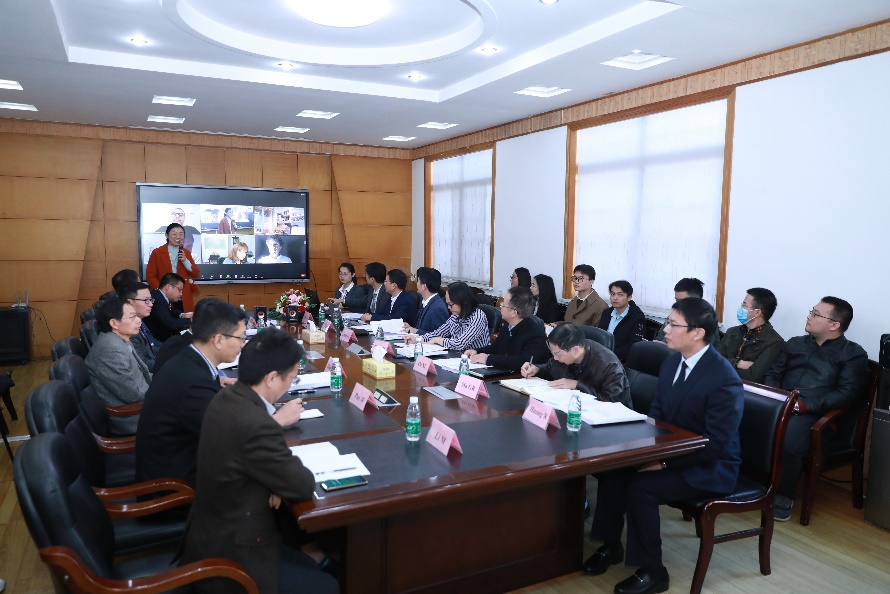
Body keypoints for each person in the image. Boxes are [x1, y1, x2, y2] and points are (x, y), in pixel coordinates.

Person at [583, 298, 744, 594]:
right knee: (614, 471)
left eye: (673, 324)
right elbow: (658, 413)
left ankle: (654, 571)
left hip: (710, 465)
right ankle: (611, 545)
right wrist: (641, 452)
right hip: (672, 449)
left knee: (640, 488)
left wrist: (664, 463)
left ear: (697, 333)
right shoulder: (672, 361)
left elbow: (717, 444)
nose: (665, 330)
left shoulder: (723, 378)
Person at [180, 328, 339, 594]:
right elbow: (301, 484)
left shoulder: (228, 396)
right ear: (272, 378)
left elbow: (251, 461)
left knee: (308, 563)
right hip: (233, 553)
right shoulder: (256, 425)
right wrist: (278, 481)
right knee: (327, 586)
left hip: (212, 530)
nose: (291, 385)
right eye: (292, 378)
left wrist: (273, 482)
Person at [763, 296, 868, 521]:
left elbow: (848, 394)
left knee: (789, 440)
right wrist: (776, 397)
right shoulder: (795, 343)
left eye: (816, 314)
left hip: (815, 416)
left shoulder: (853, 354)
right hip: (781, 404)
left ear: (834, 325)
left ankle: (783, 496)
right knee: (741, 420)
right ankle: (749, 483)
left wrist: (802, 405)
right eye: (811, 311)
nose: (809, 317)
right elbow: (773, 373)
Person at [136, 299, 248, 485]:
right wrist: (278, 419)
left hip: (180, 462)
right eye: (241, 338)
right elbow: (229, 438)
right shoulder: (193, 381)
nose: (243, 345)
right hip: (176, 489)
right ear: (218, 340)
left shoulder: (189, 359)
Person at [85, 298, 152, 435]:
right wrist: (162, 392)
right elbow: (132, 395)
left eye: (137, 316)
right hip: (131, 419)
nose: (138, 321)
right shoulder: (110, 350)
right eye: (132, 317)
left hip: (143, 406)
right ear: (114, 323)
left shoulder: (120, 338)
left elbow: (143, 374)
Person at [522, 322, 631, 407]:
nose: (555, 358)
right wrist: (537, 369)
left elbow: (612, 402)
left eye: (557, 353)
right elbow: (550, 368)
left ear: (576, 350)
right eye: (552, 353)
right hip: (572, 409)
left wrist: (577, 385)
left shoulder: (609, 364)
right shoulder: (564, 355)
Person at [465, 286, 549, 372]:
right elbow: (496, 348)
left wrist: (488, 359)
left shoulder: (535, 334)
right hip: (504, 372)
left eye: (503, 305)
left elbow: (521, 362)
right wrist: (476, 351)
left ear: (513, 312)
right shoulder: (508, 325)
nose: (500, 307)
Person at [715, 288, 784, 383]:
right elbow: (714, 361)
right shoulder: (732, 331)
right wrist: (738, 363)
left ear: (757, 313)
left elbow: (753, 376)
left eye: (744, 305)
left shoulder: (774, 342)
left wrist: (724, 367)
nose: (741, 308)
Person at [408, 281, 489, 351]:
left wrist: (438, 340)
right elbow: (438, 333)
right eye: (448, 304)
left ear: (463, 302)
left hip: (474, 360)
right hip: (455, 356)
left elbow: (460, 344)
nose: (448, 308)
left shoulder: (477, 317)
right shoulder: (455, 315)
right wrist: (418, 339)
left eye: (451, 304)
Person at [146, 223, 201, 312]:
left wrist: (185, 261)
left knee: (185, 319)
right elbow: (150, 276)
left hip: (183, 296)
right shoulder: (157, 253)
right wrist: (163, 291)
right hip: (164, 297)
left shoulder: (186, 252)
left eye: (181, 234)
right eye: (174, 234)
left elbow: (195, 273)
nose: (178, 237)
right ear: (167, 235)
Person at [652, 278, 718, 345]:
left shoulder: (706, 321)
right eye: (676, 300)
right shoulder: (675, 316)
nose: (678, 304)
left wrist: (665, 346)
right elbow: (660, 336)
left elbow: (700, 348)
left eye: (682, 301)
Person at [597, 280, 646, 360]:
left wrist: (610, 354)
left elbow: (634, 345)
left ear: (629, 297)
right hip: (601, 354)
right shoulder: (607, 313)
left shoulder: (636, 317)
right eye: (613, 294)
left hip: (620, 358)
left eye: (620, 295)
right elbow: (600, 334)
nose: (615, 298)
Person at [117, 281, 159, 370]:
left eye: (151, 300)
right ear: (129, 302)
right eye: (146, 300)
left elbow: (150, 348)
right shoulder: (127, 329)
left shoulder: (139, 319)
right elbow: (142, 365)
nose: (151, 304)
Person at [144, 273, 191, 342]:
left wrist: (182, 315)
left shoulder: (158, 295)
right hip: (157, 342)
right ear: (168, 287)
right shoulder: (157, 300)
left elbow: (169, 310)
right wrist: (193, 320)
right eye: (179, 290)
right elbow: (170, 323)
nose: (181, 294)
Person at [404, 267, 449, 334]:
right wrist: (411, 328)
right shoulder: (427, 302)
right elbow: (424, 329)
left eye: (418, 281)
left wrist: (416, 331)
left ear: (424, 286)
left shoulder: (437, 307)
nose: (416, 284)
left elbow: (441, 335)